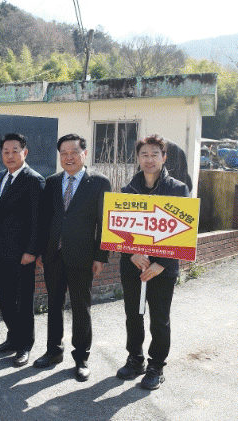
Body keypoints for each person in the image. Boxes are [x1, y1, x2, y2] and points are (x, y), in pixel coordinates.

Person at [33, 134, 111, 382]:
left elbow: (104, 222)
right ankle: (53, 351)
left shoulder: (99, 183)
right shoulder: (52, 182)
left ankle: (81, 358)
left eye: (74, 152)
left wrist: (101, 256)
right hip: (53, 255)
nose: (69, 157)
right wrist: (41, 251)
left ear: (84, 154)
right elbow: (45, 219)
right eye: (64, 153)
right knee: (53, 305)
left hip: (83, 256)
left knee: (81, 307)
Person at [117, 134, 189, 390]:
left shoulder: (178, 190)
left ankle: (156, 366)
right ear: (138, 158)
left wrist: (163, 264)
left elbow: (183, 231)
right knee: (133, 316)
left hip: (162, 269)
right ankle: (134, 359)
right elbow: (119, 231)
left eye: (155, 154)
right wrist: (131, 253)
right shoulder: (127, 191)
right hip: (133, 266)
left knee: (159, 319)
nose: (149, 160)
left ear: (164, 157)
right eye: (144, 155)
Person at [0, 133, 45, 367]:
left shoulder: (34, 180)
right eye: (5, 152)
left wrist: (32, 250)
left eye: (15, 151)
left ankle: (24, 345)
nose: (10, 156)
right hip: (2, 251)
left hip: (23, 254)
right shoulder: (0, 177)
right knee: (6, 299)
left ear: (24, 153)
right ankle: (12, 338)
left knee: (23, 301)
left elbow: (38, 220)